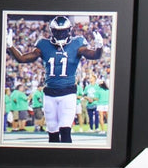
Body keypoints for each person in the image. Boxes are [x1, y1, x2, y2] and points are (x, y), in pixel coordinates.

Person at [7, 15, 103, 143]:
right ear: (52, 31)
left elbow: (94, 55)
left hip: (68, 93)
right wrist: (10, 46)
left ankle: (66, 155)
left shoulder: (77, 43)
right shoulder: (44, 44)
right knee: (52, 133)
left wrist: (99, 47)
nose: (60, 34)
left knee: (65, 130)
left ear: (69, 30)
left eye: (63, 31)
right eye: (57, 31)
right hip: (49, 95)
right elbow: (22, 59)